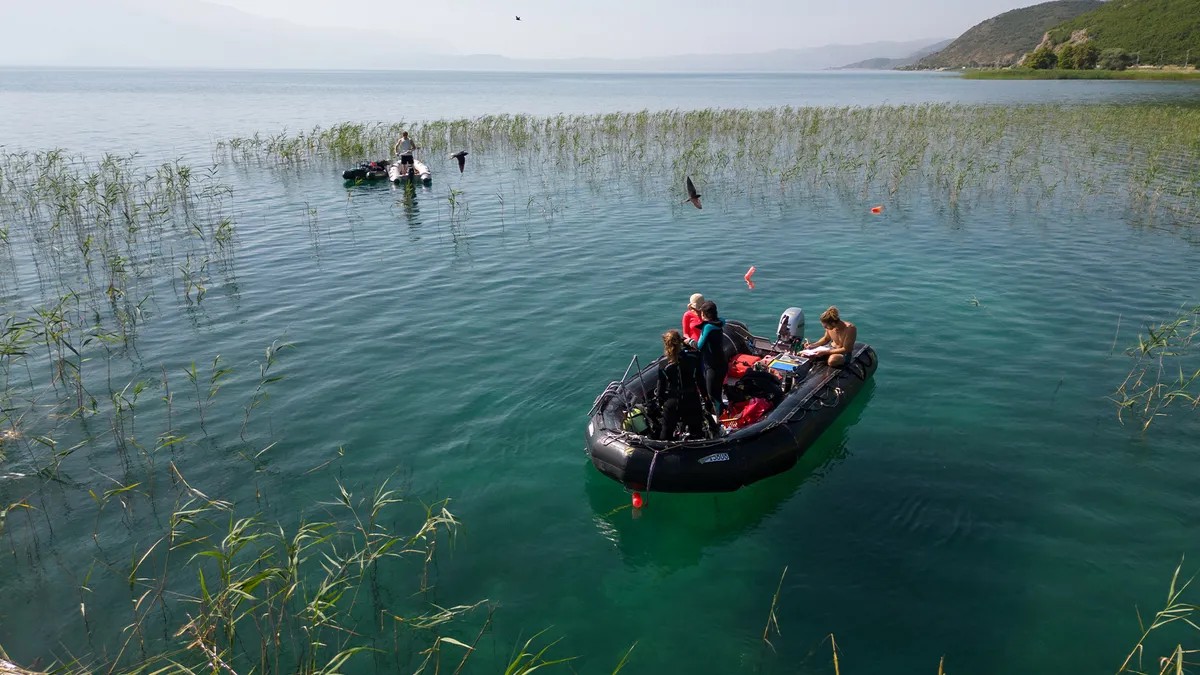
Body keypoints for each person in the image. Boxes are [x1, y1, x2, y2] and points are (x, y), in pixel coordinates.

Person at [655, 330, 708, 440]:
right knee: (697, 432)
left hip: (672, 401)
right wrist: (706, 398)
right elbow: (700, 380)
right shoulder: (694, 356)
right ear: (680, 341)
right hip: (691, 399)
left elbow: (661, 388)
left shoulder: (663, 363)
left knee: (666, 433)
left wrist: (660, 403)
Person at [696, 300, 728, 415]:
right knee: (718, 392)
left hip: (712, 366)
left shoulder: (708, 327)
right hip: (722, 363)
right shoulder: (721, 322)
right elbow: (721, 319)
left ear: (704, 314)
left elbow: (699, 346)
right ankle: (723, 413)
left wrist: (689, 341)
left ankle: (719, 418)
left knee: (712, 395)